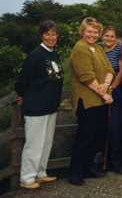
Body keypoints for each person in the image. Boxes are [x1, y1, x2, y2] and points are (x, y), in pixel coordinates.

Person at [15, 20, 63, 189]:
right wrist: (22, 95)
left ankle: (41, 173)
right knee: (34, 144)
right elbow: (22, 81)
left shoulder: (53, 53)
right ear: (42, 35)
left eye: (54, 34)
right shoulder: (35, 55)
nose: (51, 37)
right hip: (36, 107)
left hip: (50, 106)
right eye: (47, 34)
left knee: (46, 142)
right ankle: (27, 178)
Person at [68, 17, 114, 186]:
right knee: (84, 137)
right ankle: (75, 173)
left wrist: (106, 84)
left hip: (99, 100)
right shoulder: (80, 48)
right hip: (87, 100)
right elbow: (86, 76)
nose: (92, 34)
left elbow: (110, 69)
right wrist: (105, 94)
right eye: (89, 31)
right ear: (83, 32)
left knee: (96, 136)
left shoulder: (98, 48)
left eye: (95, 32)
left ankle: (87, 167)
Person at [101, 26, 122, 174]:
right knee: (102, 127)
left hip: (116, 89)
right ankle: (102, 160)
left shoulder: (119, 49)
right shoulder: (97, 49)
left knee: (115, 127)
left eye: (112, 36)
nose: (109, 38)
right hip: (100, 90)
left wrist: (112, 88)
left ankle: (116, 161)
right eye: (106, 36)